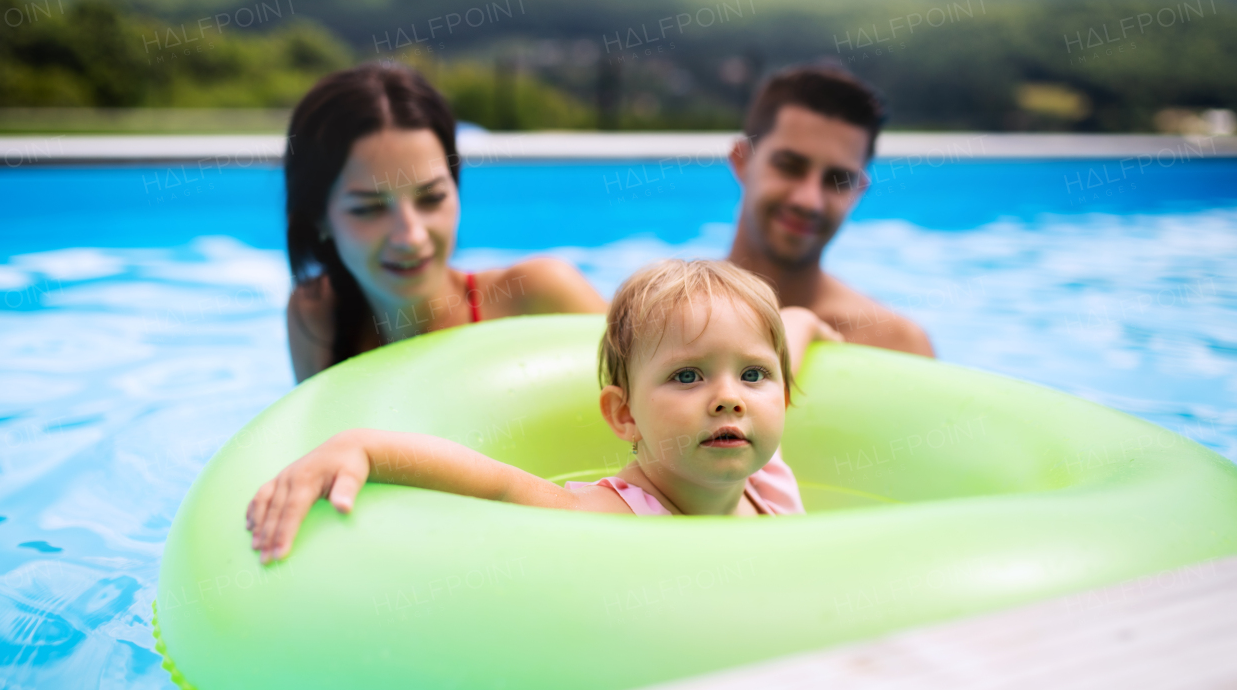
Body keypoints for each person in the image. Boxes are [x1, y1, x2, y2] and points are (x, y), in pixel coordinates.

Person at [247, 259, 805, 563]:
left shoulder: (767, 476)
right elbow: (499, 485)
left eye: (753, 375)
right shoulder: (614, 521)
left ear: (780, 397)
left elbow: (791, 339)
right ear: (624, 415)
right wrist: (364, 447)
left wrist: (809, 322)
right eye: (687, 376)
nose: (730, 396)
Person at [284, 62, 606, 382]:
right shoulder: (315, 316)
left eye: (431, 198)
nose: (411, 236)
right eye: (369, 209)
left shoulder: (539, 298)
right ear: (318, 218)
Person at [728, 65, 935, 356]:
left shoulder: (895, 346)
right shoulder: (655, 320)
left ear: (858, 191)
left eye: (838, 180)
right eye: (789, 166)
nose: (809, 201)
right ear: (741, 160)